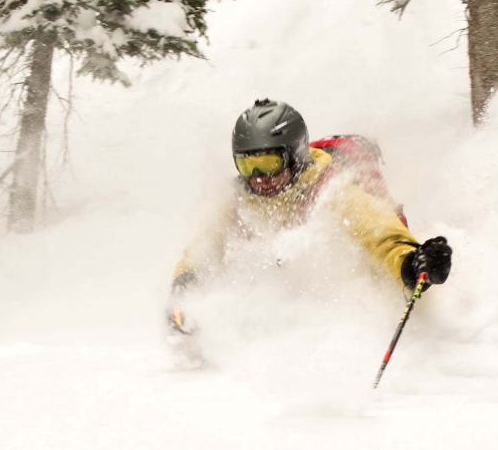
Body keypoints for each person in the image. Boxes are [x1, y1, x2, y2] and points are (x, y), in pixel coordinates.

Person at [167, 99, 452, 334]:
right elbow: (203, 248)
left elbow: (377, 231)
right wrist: (185, 288)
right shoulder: (240, 199)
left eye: (268, 163)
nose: (258, 178)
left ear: (295, 156)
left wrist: (411, 263)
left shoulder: (331, 189)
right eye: (247, 164)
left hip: (346, 280)